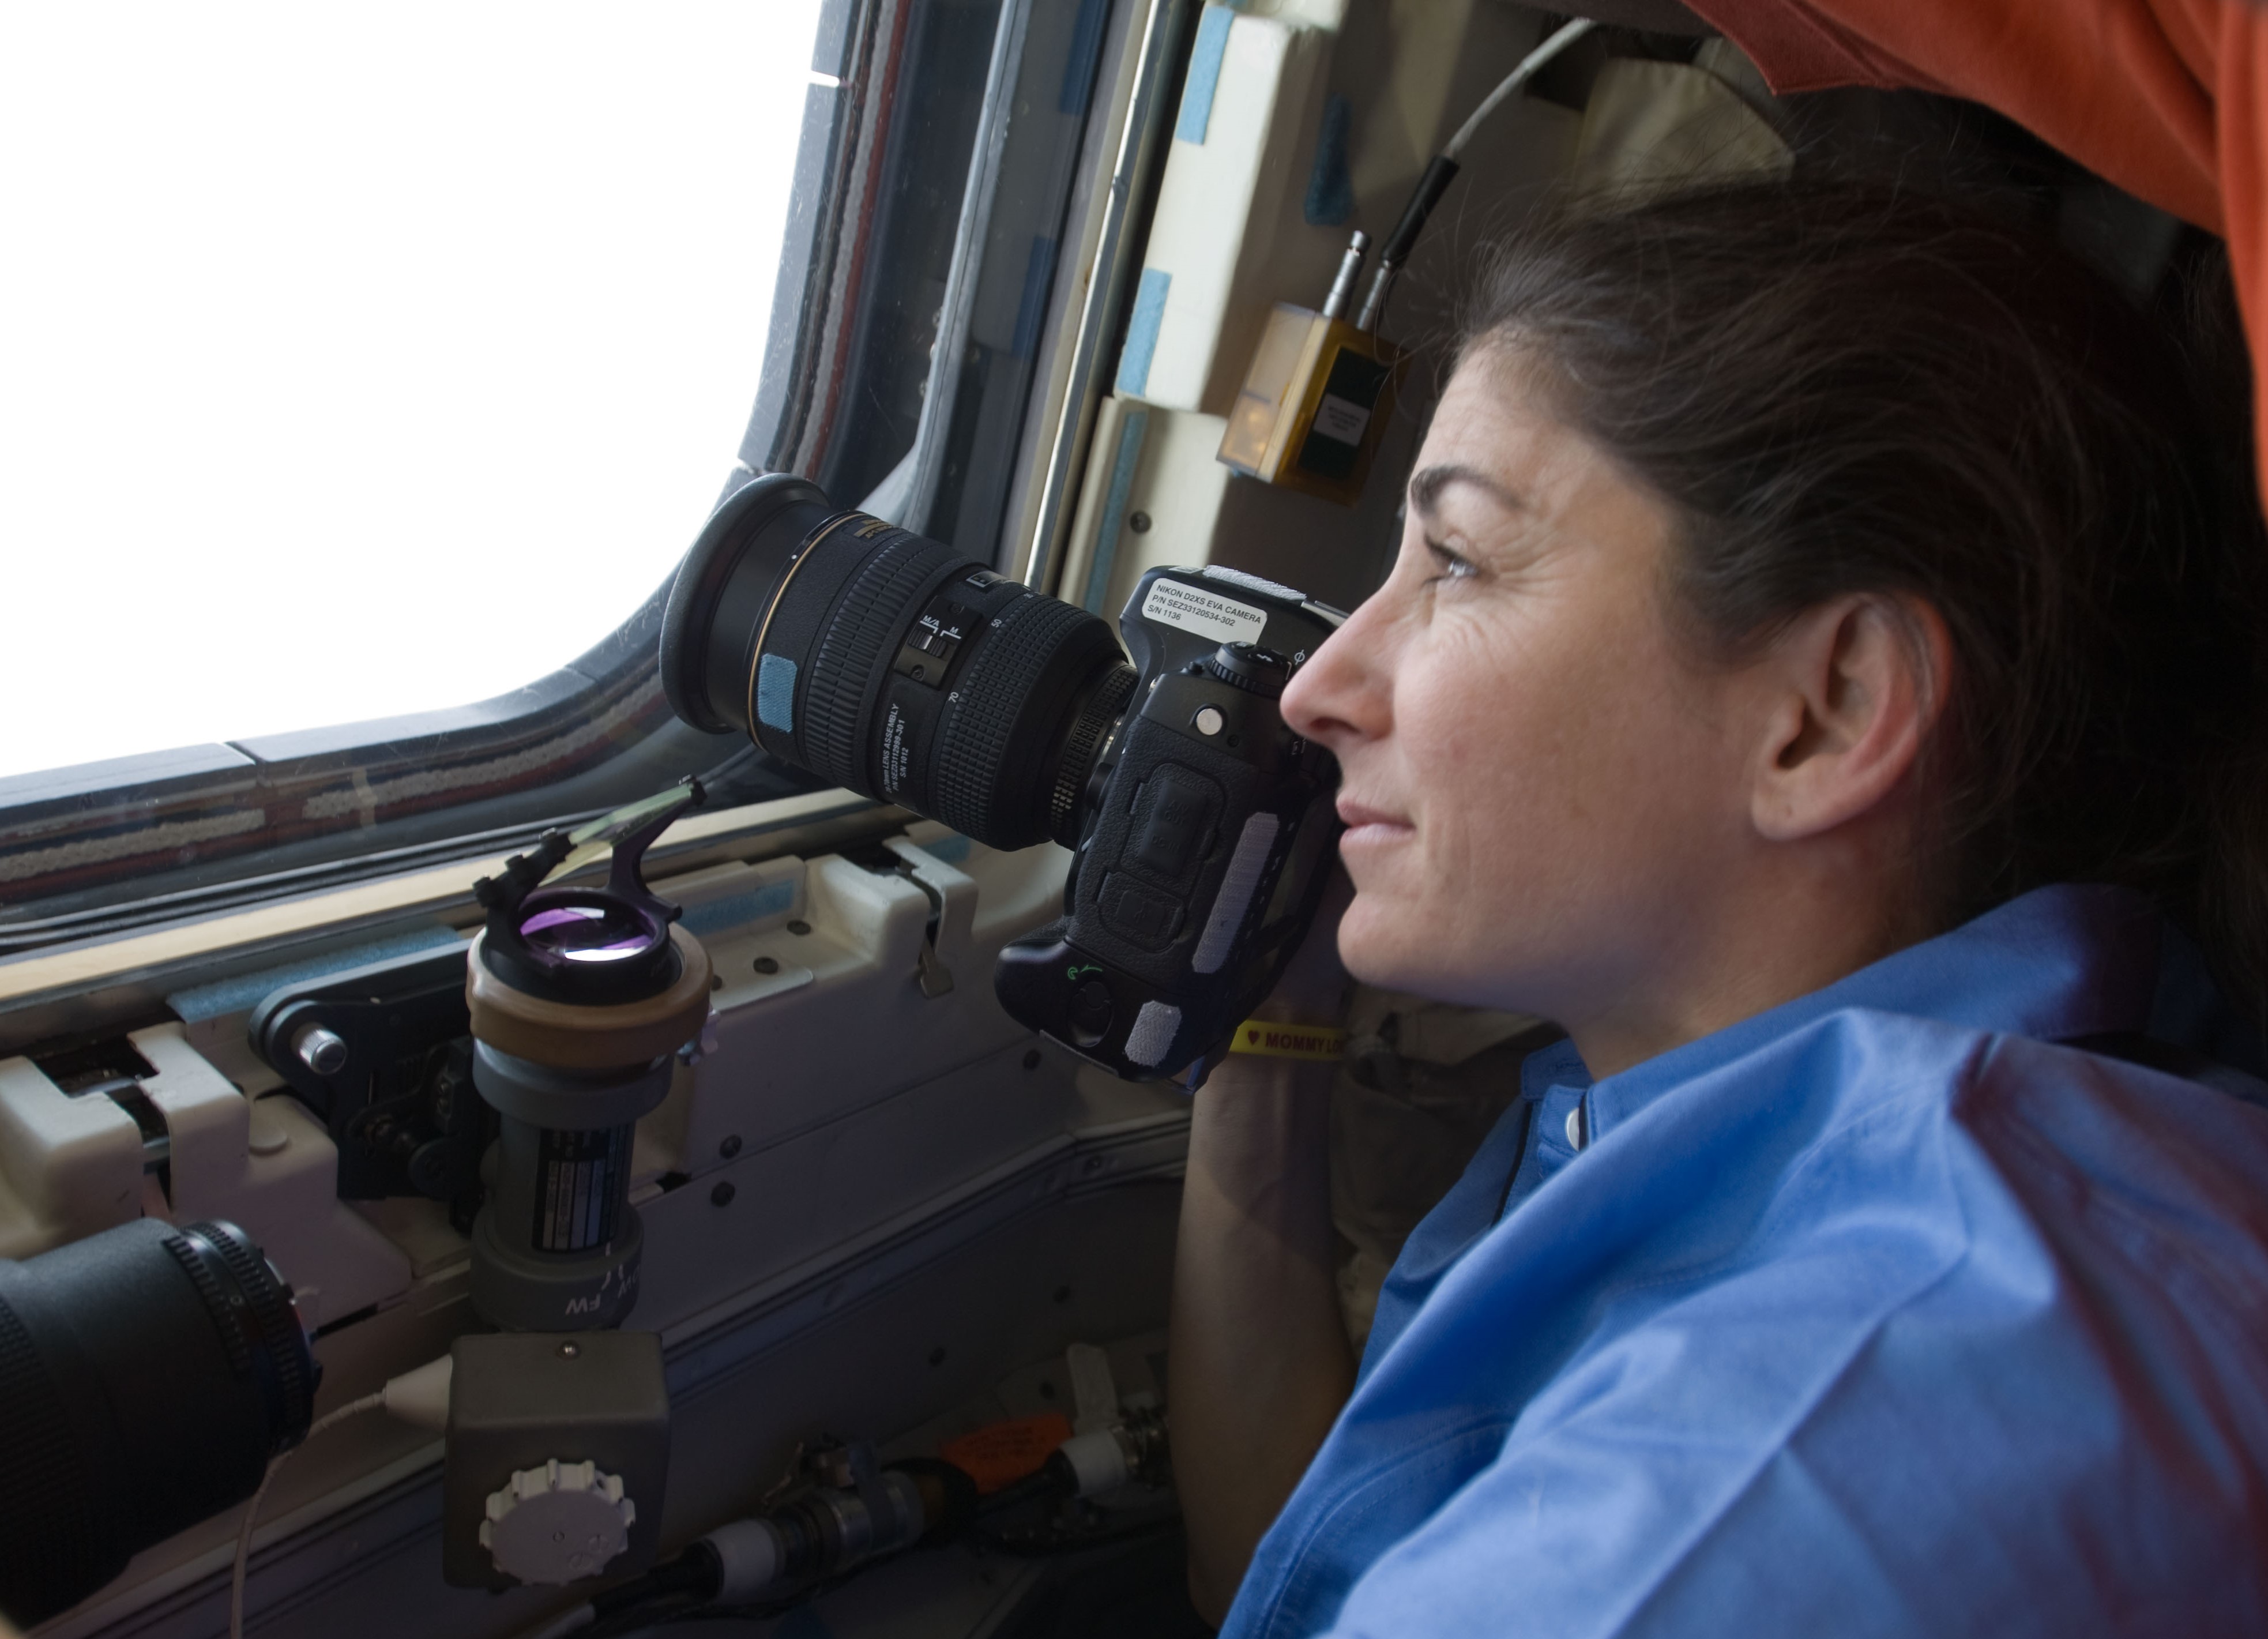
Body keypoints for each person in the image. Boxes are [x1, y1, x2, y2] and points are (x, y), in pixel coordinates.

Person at [1168, 179, 2268, 1637]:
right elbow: (1305, 1569)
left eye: (1456, 562)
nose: (1318, 689)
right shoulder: (1722, 1105)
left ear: (1824, 713)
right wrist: (1265, 1038)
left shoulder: (1768, 1473)